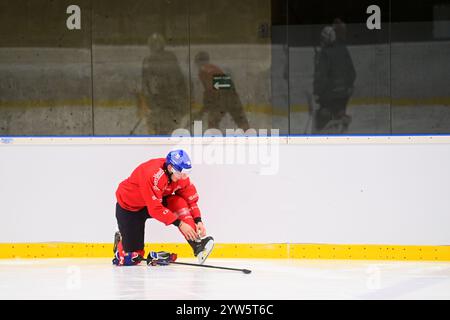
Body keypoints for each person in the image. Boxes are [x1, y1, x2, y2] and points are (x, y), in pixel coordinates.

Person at [112, 149, 214, 266]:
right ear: (170, 168)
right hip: (129, 208)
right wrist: (180, 223)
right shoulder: (152, 175)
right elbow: (155, 209)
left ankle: (197, 244)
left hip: (152, 202)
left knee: (178, 201)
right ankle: (121, 241)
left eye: (187, 172)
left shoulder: (180, 177)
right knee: (135, 257)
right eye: (181, 173)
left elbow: (190, 199)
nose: (184, 177)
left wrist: (198, 220)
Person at [138, 33, 189, 135]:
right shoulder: (166, 57)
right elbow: (146, 83)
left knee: (163, 130)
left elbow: (178, 79)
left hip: (166, 104)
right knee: (163, 130)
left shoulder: (164, 58)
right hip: (163, 104)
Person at [313, 19, 356, 133]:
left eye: (322, 39)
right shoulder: (343, 49)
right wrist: (349, 86)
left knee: (322, 117)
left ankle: (324, 131)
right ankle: (342, 120)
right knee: (339, 110)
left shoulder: (324, 54)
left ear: (325, 39)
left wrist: (317, 92)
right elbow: (352, 72)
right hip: (344, 94)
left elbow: (321, 77)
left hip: (330, 95)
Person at [194, 51, 250, 132]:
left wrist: (205, 107)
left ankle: (213, 138)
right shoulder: (215, 68)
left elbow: (210, 91)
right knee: (240, 120)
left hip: (222, 97)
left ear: (197, 62)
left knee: (212, 121)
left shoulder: (203, 72)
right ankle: (250, 136)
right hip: (232, 96)